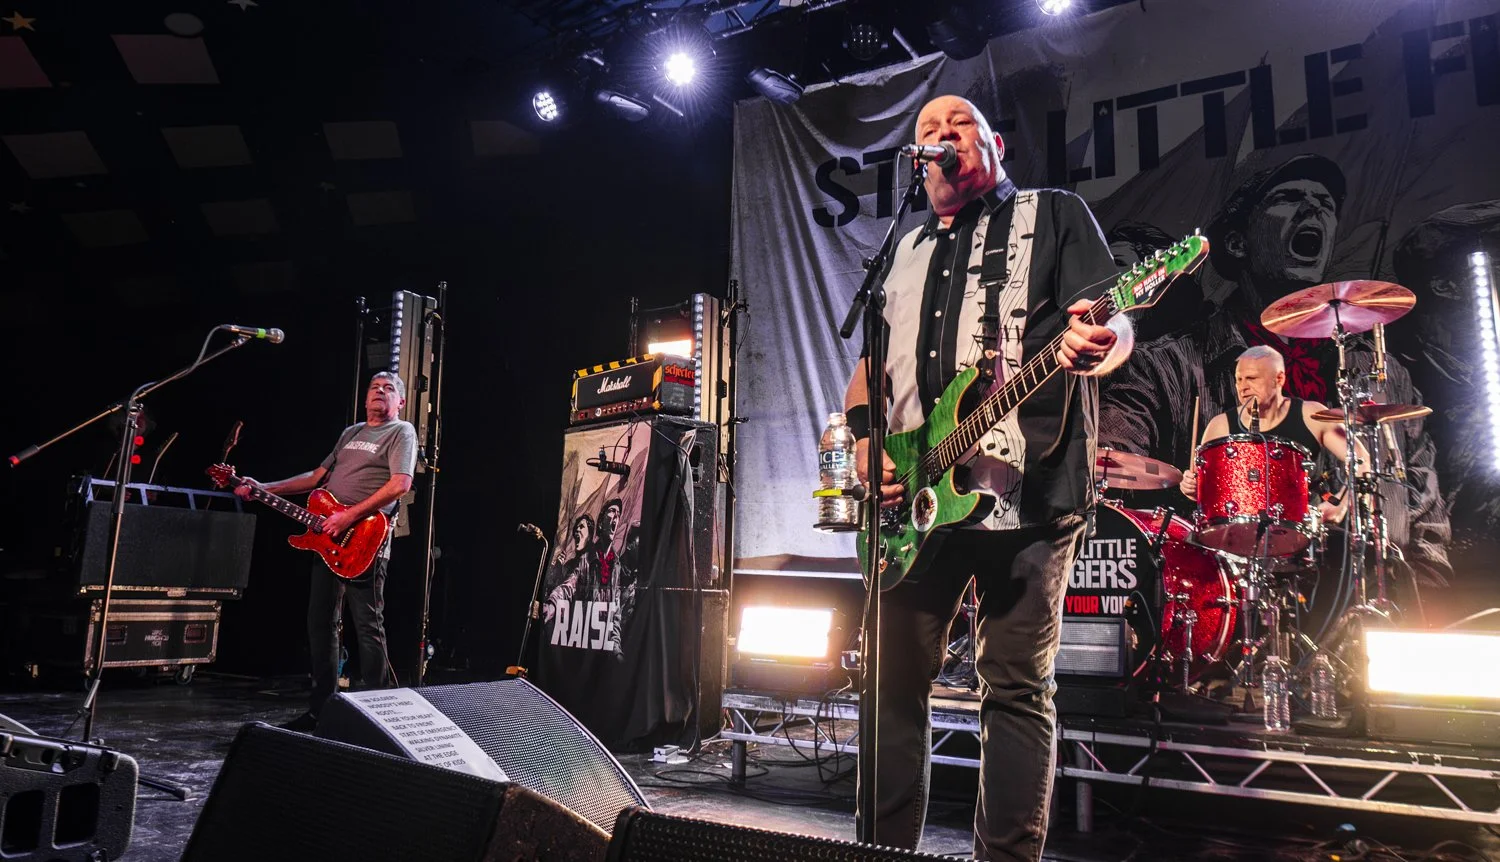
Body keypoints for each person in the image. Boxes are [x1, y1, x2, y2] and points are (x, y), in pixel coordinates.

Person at [842, 94, 1131, 861]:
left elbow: (1113, 314)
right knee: (889, 684)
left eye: (957, 126)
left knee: (1013, 688)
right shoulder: (899, 254)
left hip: (1030, 494)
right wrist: (870, 450)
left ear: (993, 144)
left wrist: (1104, 341)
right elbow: (867, 376)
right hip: (918, 504)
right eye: (927, 132)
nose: (941, 137)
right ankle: (882, 851)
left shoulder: (1054, 213)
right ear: (915, 162)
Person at [1098, 154, 1452, 588]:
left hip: (1371, 610)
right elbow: (1108, 472)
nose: (1314, 209)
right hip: (1225, 613)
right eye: (1289, 198)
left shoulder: (1381, 374)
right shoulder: (1166, 366)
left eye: (1325, 203)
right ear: (1237, 243)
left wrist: (1423, 606)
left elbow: (1426, 519)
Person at [235, 372, 417, 731]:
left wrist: (348, 515)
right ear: (365, 399)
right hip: (328, 542)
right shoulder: (350, 433)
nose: (380, 392)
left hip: (365, 537)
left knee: (367, 625)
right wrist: (262, 487)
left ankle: (381, 716)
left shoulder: (401, 431)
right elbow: (316, 478)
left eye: (389, 389)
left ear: (401, 402)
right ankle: (322, 710)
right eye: (374, 388)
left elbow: (400, 484)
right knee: (320, 624)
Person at [1179, 346, 1364, 524]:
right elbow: (1207, 493)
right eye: (1239, 379)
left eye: (1251, 378)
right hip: (1237, 538)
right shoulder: (1220, 426)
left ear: (1279, 379)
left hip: (1302, 536)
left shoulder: (1311, 415)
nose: (1243, 387)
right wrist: (1193, 489)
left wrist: (1344, 502)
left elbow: (1363, 461)